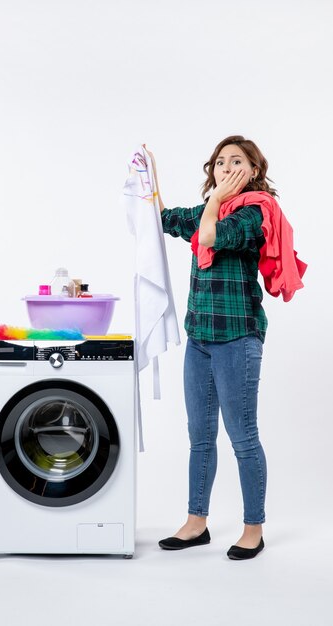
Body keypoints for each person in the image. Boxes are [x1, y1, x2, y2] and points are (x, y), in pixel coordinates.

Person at [145, 135, 276, 560]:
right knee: (200, 436)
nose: (226, 168)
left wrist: (216, 200)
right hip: (200, 339)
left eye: (236, 162)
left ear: (253, 171)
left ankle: (253, 528)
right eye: (220, 162)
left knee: (243, 436)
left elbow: (210, 235)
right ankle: (196, 522)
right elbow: (160, 218)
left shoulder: (255, 214)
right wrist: (150, 174)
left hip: (237, 339)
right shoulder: (212, 206)